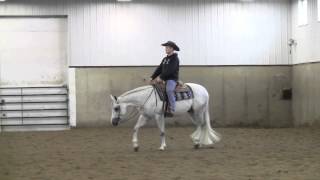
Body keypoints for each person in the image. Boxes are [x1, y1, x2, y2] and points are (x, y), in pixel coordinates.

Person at [150, 41, 180, 117]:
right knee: (153, 88)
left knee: (169, 90)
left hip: (171, 79)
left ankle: (172, 109)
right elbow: (159, 69)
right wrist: (152, 77)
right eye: (165, 47)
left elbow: (170, 70)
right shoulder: (165, 59)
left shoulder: (175, 59)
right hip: (164, 79)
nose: (165, 49)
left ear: (172, 48)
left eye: (167, 47)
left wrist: (161, 77)